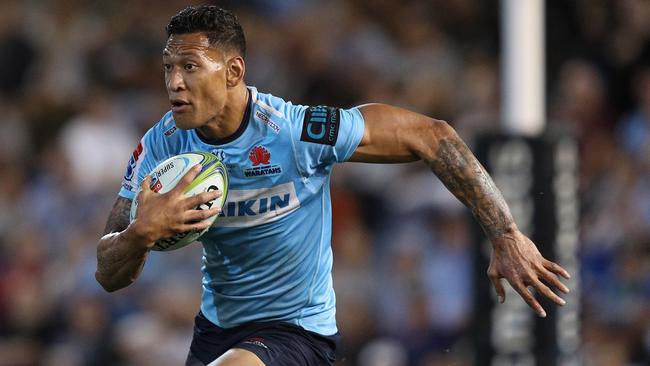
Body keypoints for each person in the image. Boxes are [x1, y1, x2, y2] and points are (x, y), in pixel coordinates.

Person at [95, 5, 571, 366]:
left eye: (191, 67)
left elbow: (433, 136)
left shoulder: (295, 132)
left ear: (234, 71)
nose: (175, 83)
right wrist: (139, 235)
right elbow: (107, 273)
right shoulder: (162, 147)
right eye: (168, 68)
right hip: (216, 333)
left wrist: (505, 232)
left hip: (297, 333)